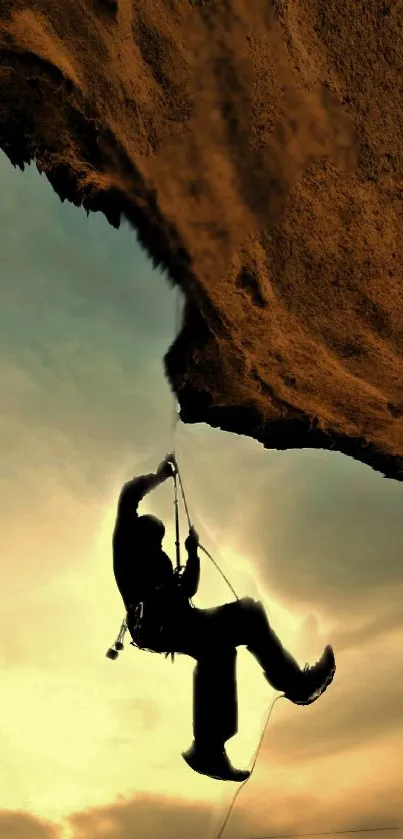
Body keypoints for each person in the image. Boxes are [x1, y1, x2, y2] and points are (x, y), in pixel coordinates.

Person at [112, 454, 336, 782]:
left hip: (175, 624)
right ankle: (293, 689)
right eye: (154, 533)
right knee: (235, 627)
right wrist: (160, 476)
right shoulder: (125, 545)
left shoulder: (158, 561)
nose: (158, 541)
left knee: (226, 641)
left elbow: (188, 588)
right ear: (141, 531)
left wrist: (190, 555)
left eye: (159, 538)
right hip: (157, 627)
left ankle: (211, 747)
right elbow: (129, 494)